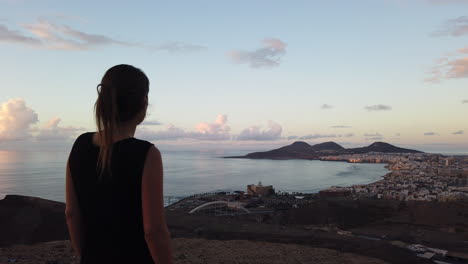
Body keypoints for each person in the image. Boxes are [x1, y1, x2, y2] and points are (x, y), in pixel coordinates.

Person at [65, 64, 174, 264]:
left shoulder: (80, 144)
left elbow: (71, 214)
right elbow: (154, 231)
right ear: (144, 102)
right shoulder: (146, 154)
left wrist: (84, 255)